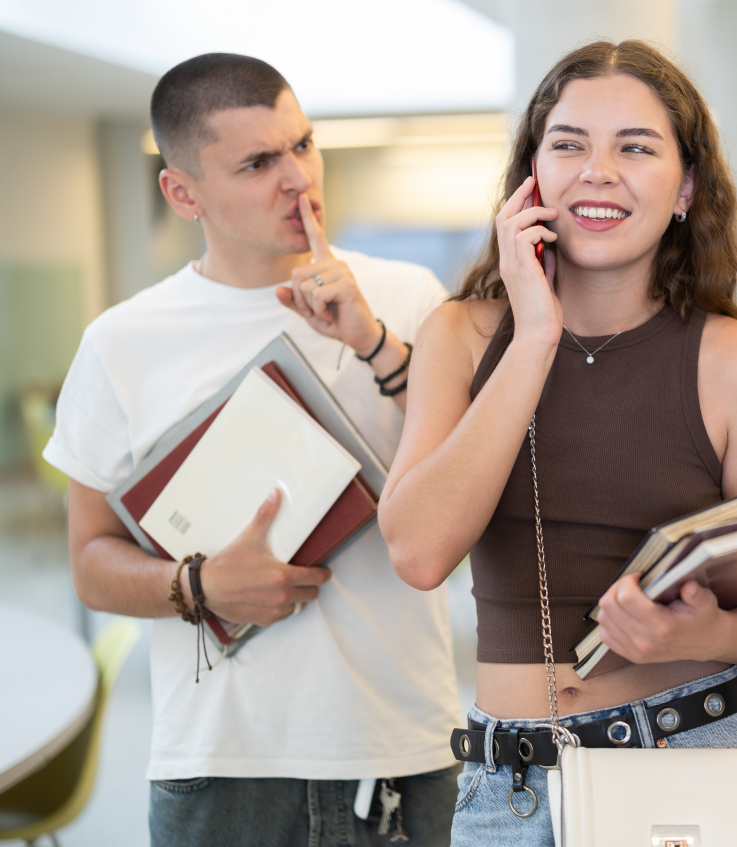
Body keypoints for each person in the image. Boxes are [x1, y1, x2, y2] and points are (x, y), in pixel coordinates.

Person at [379, 40, 737, 847]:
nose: (597, 171)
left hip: (688, 759)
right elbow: (418, 552)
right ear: (531, 177)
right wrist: (534, 332)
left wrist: (703, 632)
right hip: (505, 784)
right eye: (568, 144)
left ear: (685, 188)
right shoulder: (462, 337)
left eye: (636, 147)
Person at [44, 53, 462, 847]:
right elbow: (89, 561)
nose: (298, 179)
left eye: (303, 146)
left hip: (402, 749)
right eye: (259, 162)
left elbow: (477, 491)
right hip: (220, 766)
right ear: (182, 192)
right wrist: (199, 585)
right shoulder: (122, 343)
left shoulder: (410, 299)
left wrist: (376, 343)